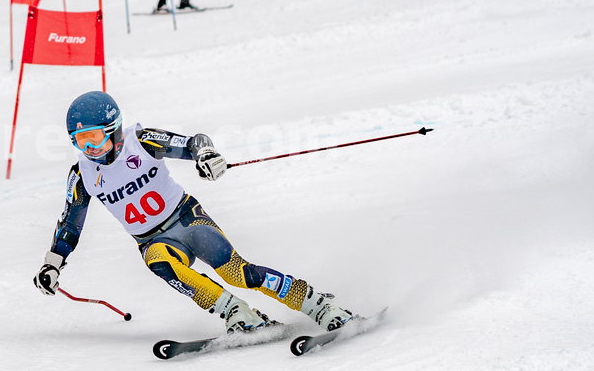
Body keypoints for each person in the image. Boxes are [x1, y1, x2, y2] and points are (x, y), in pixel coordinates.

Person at [32, 91, 358, 335]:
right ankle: (237, 314)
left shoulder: (140, 141)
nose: (89, 149)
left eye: (94, 138)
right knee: (158, 261)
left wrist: (206, 155)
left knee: (238, 274)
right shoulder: (83, 174)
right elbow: (69, 227)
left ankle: (316, 302)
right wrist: (52, 264)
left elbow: (193, 142)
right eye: (79, 141)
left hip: (187, 219)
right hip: (152, 240)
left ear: (114, 129)